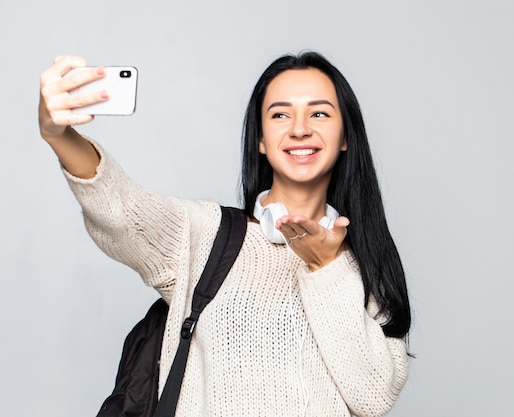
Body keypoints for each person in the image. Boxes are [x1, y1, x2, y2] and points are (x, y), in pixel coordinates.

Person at [38, 51, 411, 417]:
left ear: (345, 136)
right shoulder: (206, 235)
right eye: (280, 114)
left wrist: (327, 269)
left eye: (319, 113)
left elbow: (373, 398)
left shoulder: (366, 267)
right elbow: (121, 209)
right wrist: (60, 136)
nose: (300, 128)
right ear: (261, 140)